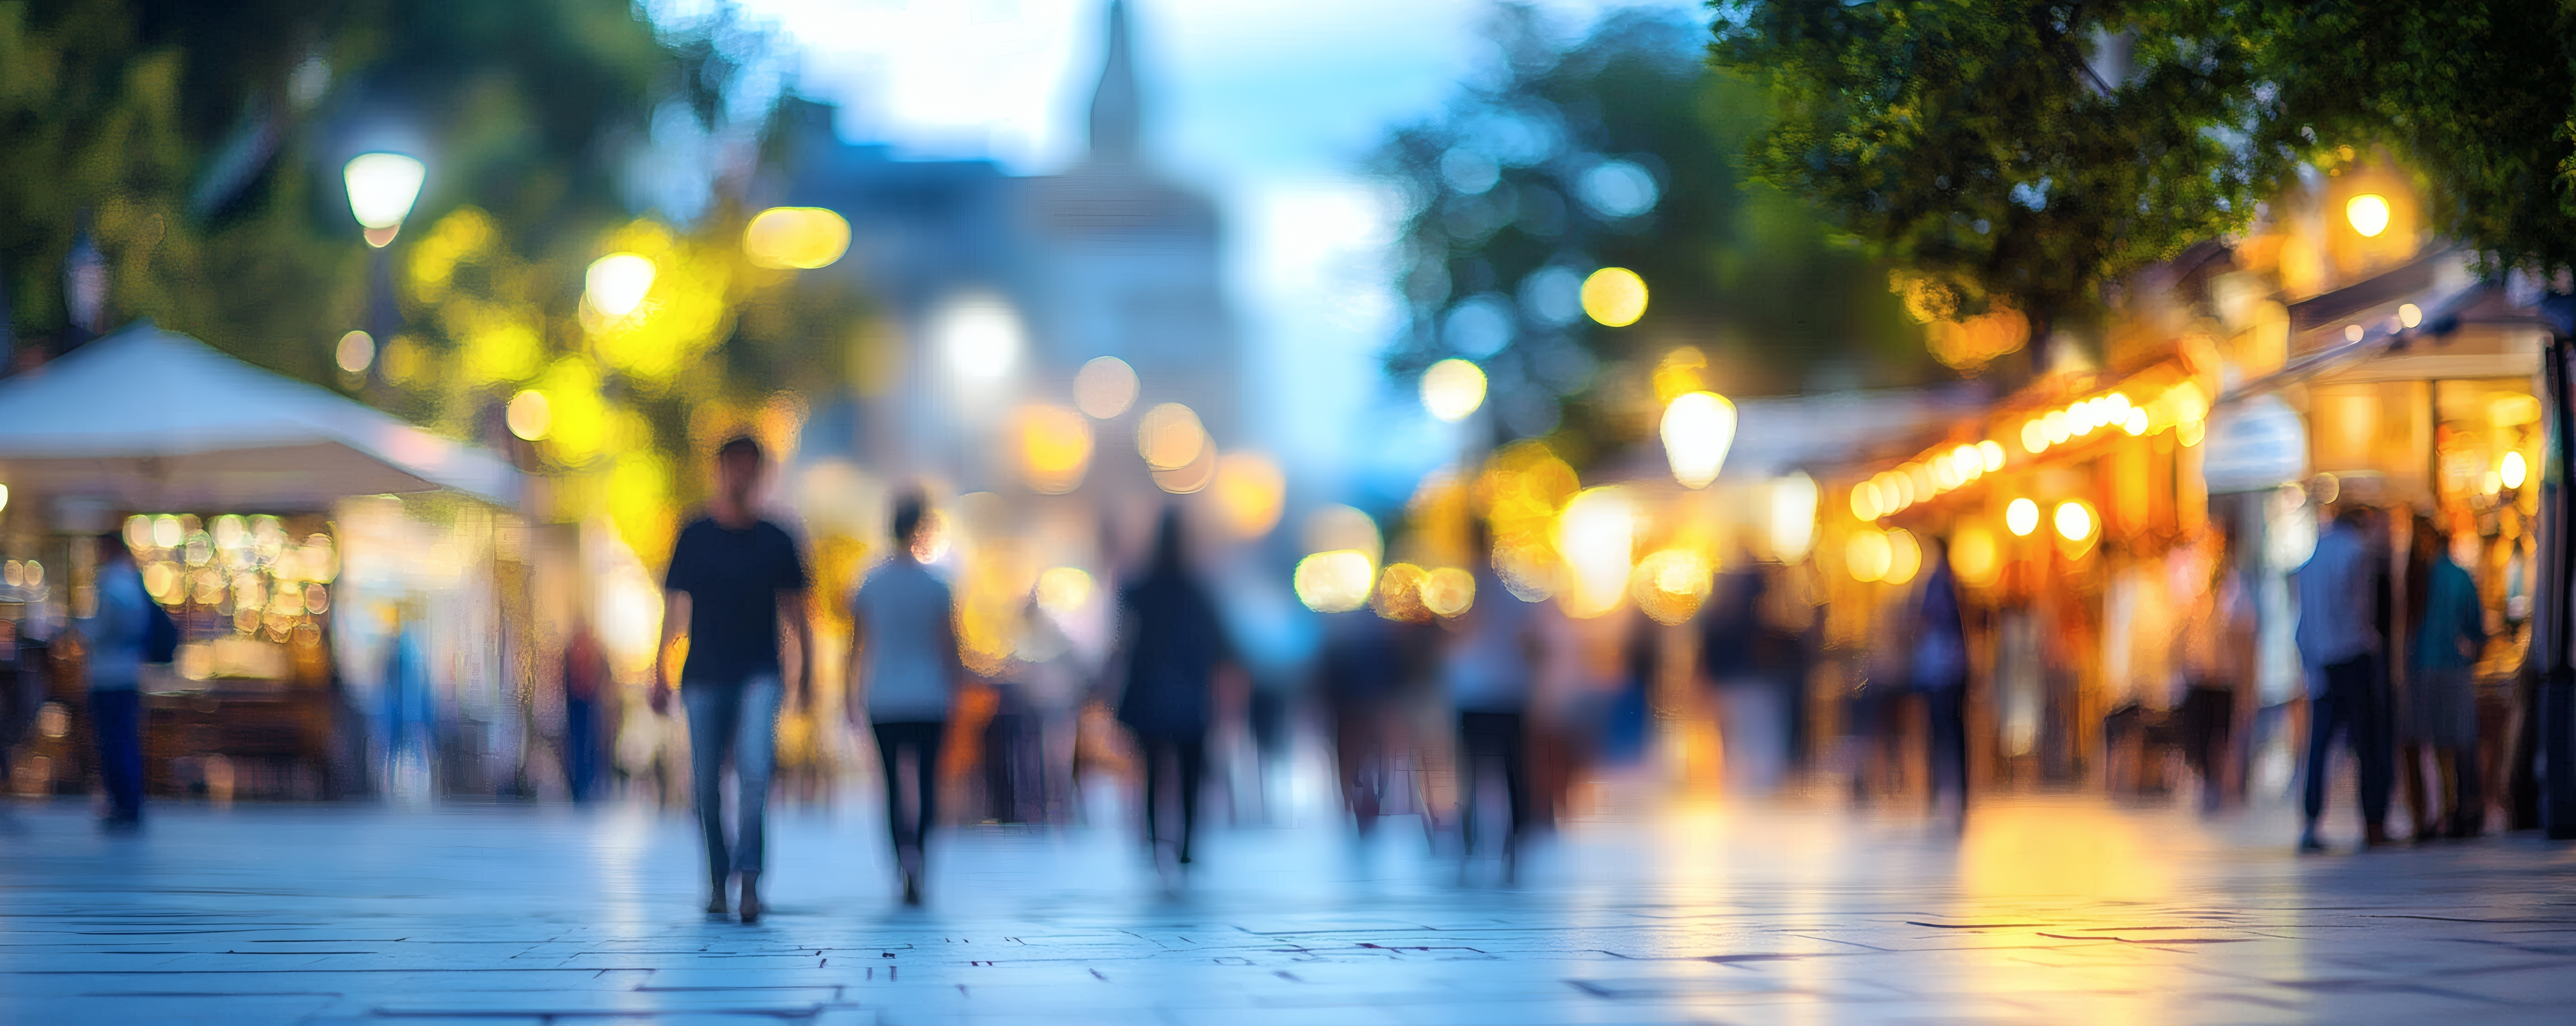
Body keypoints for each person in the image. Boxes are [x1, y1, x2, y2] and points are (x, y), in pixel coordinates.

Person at [652, 437, 815, 923]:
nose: (741, 475)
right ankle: (716, 879)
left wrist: (809, 676)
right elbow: (675, 608)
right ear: (720, 470)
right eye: (734, 466)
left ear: (762, 474)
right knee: (703, 784)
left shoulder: (779, 537)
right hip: (703, 674)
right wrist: (658, 669)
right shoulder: (695, 534)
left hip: (760, 674)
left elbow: (797, 614)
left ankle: (749, 879)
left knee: (755, 773)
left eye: (751, 467)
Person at [846, 491, 961, 904]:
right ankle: (923, 864)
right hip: (930, 696)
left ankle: (901, 866)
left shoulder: (869, 582)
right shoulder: (937, 585)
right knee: (928, 782)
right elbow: (950, 645)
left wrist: (850, 693)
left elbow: (857, 645)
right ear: (921, 528)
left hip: (885, 697)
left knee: (893, 786)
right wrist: (958, 686)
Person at [1114, 508, 1232, 869]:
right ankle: (1188, 844)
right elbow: (1219, 646)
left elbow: (1123, 643)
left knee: (1151, 771)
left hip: (1149, 693)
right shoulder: (1200, 593)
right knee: (1189, 774)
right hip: (1190, 695)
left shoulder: (1137, 591)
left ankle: (1153, 838)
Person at [1443, 523, 1540, 873]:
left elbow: (1454, 640)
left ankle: (1470, 839)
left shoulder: (1464, 591)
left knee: (1472, 770)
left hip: (1475, 691)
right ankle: (1515, 837)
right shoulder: (1511, 594)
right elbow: (1531, 643)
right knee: (1512, 768)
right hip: (1509, 692)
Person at [2296, 504, 2392, 851]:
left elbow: (2304, 621)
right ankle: (2374, 822)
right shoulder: (2358, 550)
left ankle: (2311, 822)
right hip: (2354, 656)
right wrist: (2372, 642)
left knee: (2319, 743)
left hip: (2322, 660)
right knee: (2368, 742)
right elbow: (2360, 609)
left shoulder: (2314, 557)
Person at [2407, 520, 2487, 839]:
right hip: (2455, 667)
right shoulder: (2461, 576)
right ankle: (2456, 809)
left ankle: (2431, 814)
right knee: (2456, 742)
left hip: (2422, 668)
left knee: (2425, 742)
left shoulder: (2417, 578)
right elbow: (2477, 627)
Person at [76, 533, 151, 828]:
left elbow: (119, 626)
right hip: (123, 672)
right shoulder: (127, 580)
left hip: (111, 674)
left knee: (116, 742)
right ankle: (126, 805)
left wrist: (86, 633)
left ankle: (125, 806)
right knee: (121, 741)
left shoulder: (115, 582)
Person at [1913, 536, 1969, 819]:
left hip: (1939, 671)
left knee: (1940, 732)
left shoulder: (1936, 584)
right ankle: (1959, 791)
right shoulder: (1957, 582)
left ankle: (1938, 792)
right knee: (1957, 732)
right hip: (1956, 668)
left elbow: (1926, 620)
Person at [560, 617, 611, 803]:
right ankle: (584, 786)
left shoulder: (576, 647)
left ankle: (582, 787)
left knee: (581, 745)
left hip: (581, 702)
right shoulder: (589, 647)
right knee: (585, 744)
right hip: (585, 702)